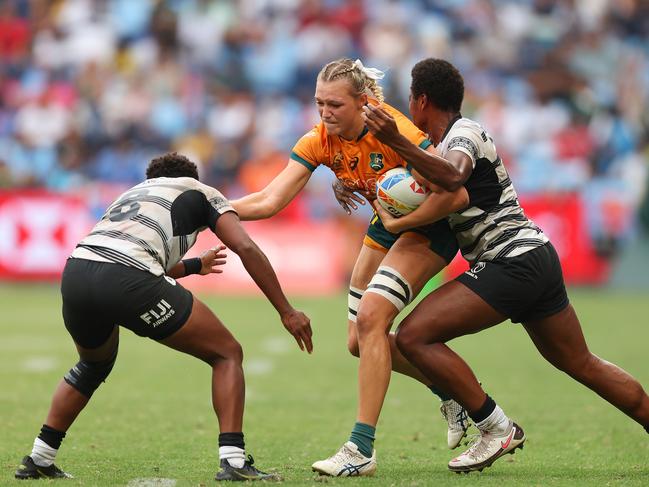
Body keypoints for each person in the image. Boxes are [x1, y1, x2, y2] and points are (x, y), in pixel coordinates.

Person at [363, 58, 649, 473]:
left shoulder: (465, 133)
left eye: (410, 99)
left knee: (413, 336)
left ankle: (495, 428)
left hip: (510, 259)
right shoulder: (437, 148)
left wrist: (399, 143)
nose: (409, 109)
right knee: (582, 363)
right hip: (533, 257)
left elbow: (454, 175)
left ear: (422, 100)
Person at [230, 57, 469, 477]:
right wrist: (210, 208)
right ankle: (451, 392)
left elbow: (453, 194)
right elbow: (270, 200)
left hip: (428, 229)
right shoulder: (320, 139)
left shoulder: (396, 130)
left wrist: (402, 219)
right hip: (386, 225)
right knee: (358, 341)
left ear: (362, 102)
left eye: (334, 105)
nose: (324, 113)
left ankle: (361, 448)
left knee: (372, 321)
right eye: (319, 103)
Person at [15, 152, 313, 481]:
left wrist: (196, 265)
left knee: (92, 365)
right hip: (126, 277)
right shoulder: (201, 191)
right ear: (192, 177)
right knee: (227, 353)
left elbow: (136, 252)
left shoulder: (133, 193)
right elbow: (246, 247)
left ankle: (40, 457)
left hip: (76, 272)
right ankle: (234, 461)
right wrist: (287, 310)